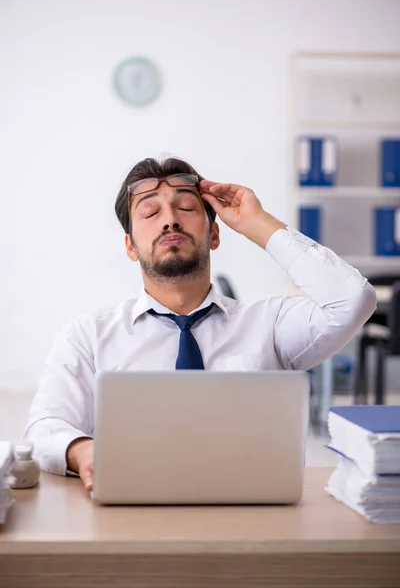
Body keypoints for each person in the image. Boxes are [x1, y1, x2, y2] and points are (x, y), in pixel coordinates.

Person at [23, 156, 377, 491]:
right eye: (150, 212)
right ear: (131, 247)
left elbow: (351, 301)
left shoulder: (268, 325)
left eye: (187, 208)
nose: (170, 220)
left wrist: (257, 225)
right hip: (132, 518)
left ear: (215, 235)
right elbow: (43, 429)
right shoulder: (88, 336)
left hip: (256, 521)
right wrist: (83, 450)